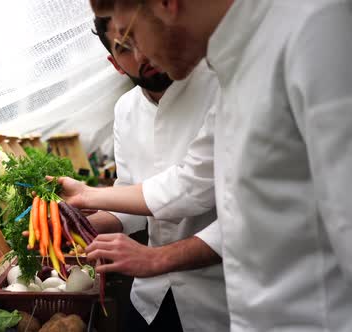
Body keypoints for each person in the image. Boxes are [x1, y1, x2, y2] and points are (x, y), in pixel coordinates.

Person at [79, 0, 352, 330]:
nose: (141, 55)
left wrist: (89, 198)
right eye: (124, 47)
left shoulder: (313, 28)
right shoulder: (234, 66)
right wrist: (83, 206)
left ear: (165, 5)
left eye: (132, 34)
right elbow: (192, 183)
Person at [87, 16, 228, 331]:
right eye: (124, 48)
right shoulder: (125, 110)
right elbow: (132, 199)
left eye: (143, 37)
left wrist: (156, 258)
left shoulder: (219, 84)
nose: (141, 55)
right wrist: (81, 223)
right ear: (115, 64)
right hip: (151, 296)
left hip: (219, 298)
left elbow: (239, 213)